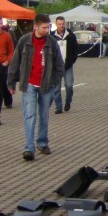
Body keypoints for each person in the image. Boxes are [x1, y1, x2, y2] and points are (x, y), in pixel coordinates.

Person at [8, 13, 64, 161]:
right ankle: (28, 148)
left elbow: (59, 65)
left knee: (44, 115)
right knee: (30, 115)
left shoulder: (52, 42)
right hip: (29, 84)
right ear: (36, 27)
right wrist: (11, 82)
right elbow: (15, 62)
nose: (47, 30)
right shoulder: (24, 41)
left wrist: (54, 81)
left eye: (48, 27)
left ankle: (42, 142)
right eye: (44, 27)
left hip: (46, 84)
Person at [52, 16, 78, 114]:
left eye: (63, 24)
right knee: (56, 89)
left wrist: (72, 60)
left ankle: (68, 101)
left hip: (68, 66)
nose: (61, 25)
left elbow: (76, 49)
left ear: (65, 24)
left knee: (69, 86)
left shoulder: (71, 35)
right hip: (56, 67)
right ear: (56, 24)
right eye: (59, 24)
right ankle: (58, 107)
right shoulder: (52, 36)